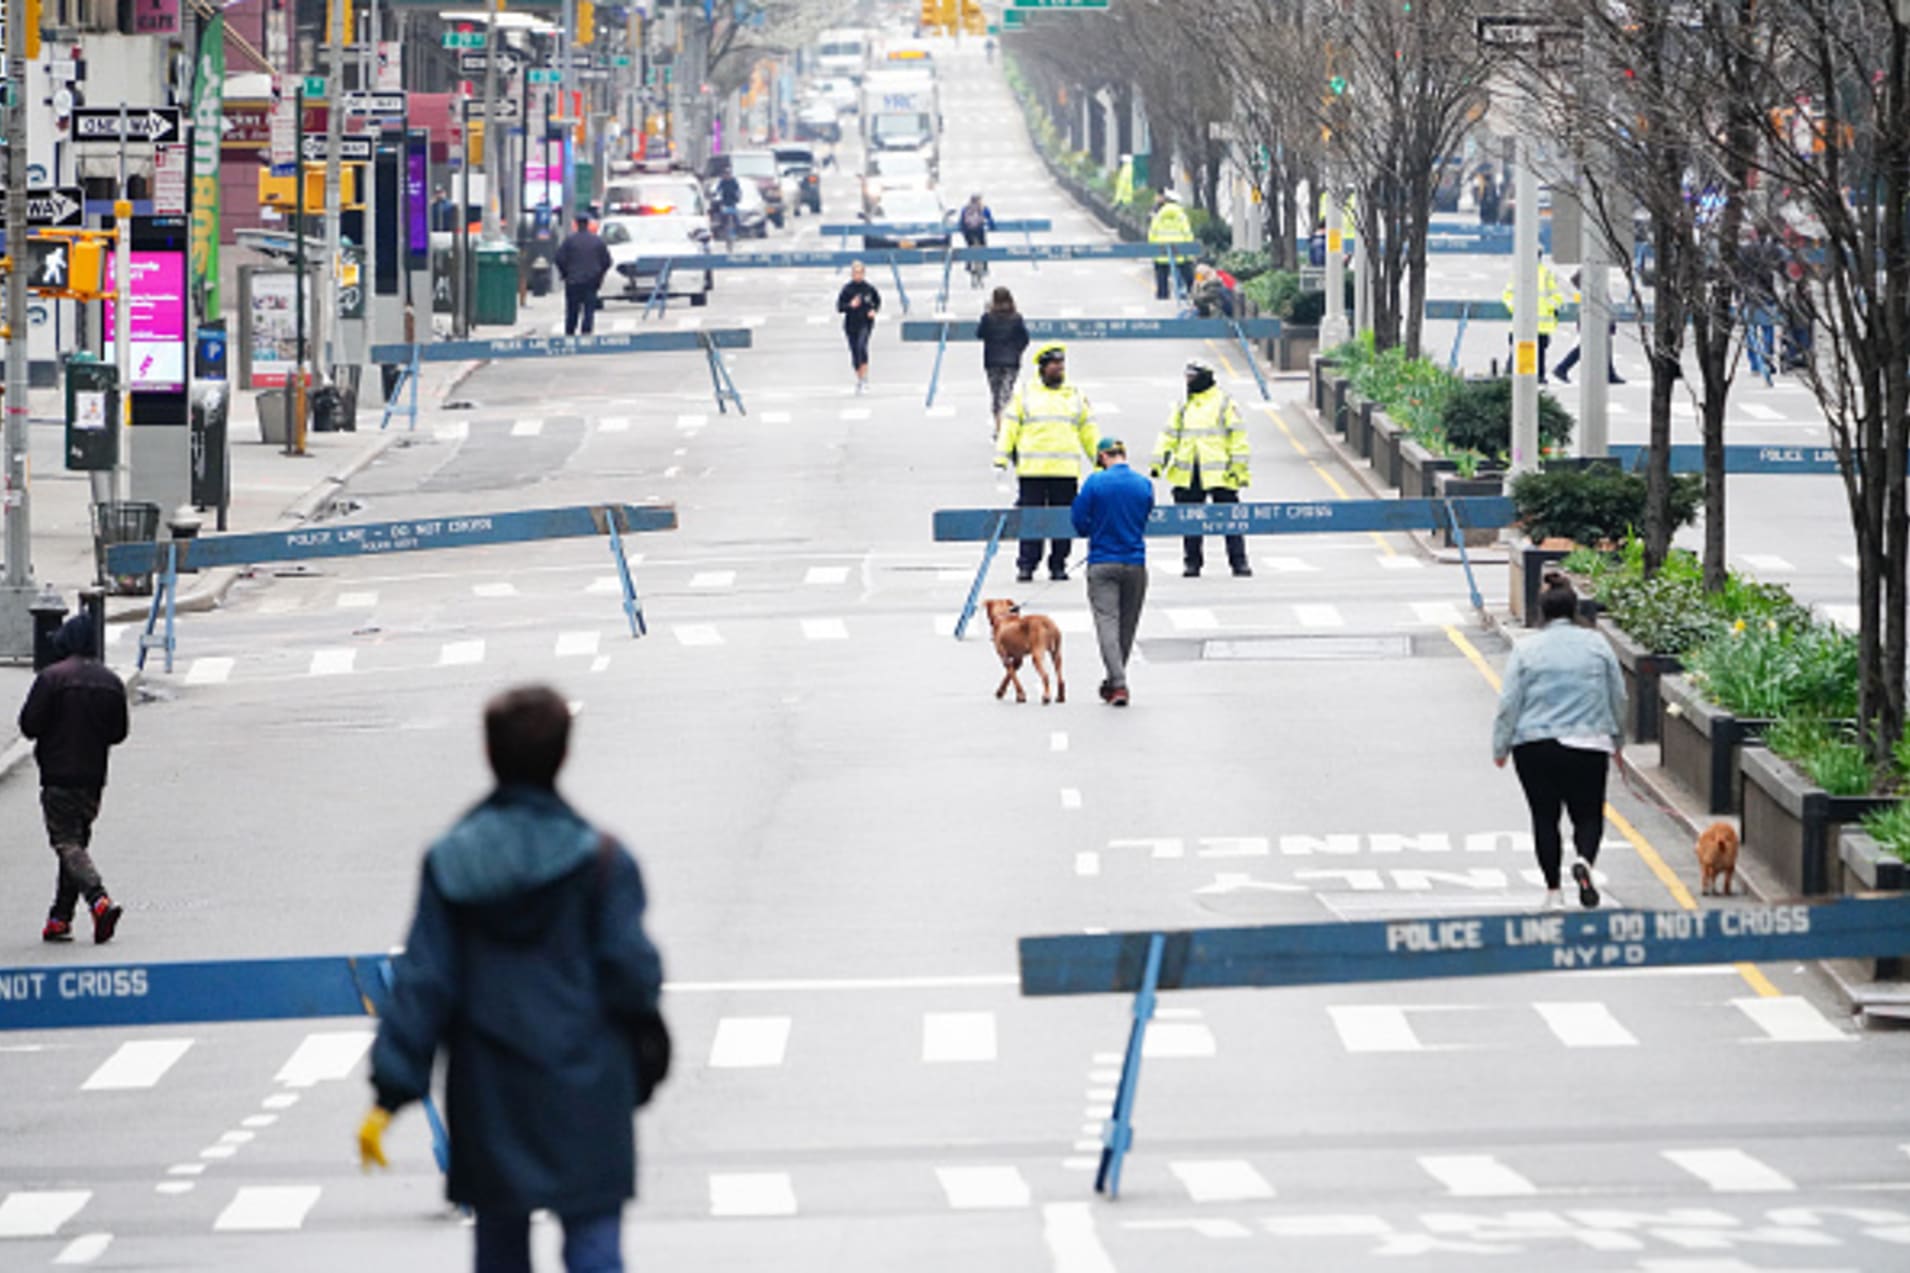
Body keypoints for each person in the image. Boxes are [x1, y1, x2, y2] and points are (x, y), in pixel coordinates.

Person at [360, 685, 665, 1273]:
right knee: (594, 1241)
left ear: (488, 752)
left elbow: (424, 981)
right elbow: (633, 973)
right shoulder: (603, 861)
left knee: (500, 1243)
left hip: (489, 1087)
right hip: (588, 1080)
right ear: (564, 754)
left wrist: (390, 1091)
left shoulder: (451, 859)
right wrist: (646, 1050)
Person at [1492, 574, 1625, 912]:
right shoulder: (1597, 644)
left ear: (1543, 611)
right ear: (1574, 608)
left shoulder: (1526, 648)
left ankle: (1553, 892)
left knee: (1544, 817)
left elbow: (1509, 702)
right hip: (1588, 742)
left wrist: (1501, 746)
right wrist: (1617, 739)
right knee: (1589, 815)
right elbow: (1618, 695)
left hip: (1534, 745)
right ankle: (1584, 861)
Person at [19, 612, 127, 944]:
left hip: (58, 774)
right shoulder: (111, 682)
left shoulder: (52, 678)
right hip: (93, 778)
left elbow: (29, 725)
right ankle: (59, 918)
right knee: (76, 846)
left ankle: (98, 899)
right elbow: (118, 733)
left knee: (66, 843)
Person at [995, 342, 1098, 583]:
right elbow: (1010, 427)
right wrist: (1001, 457)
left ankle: (1058, 564)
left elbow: (1088, 430)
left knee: (1063, 521)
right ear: (1042, 368)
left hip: (1065, 471)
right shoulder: (1025, 394)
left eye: (1061, 364)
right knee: (1031, 520)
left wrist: (1101, 460)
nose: (1059, 368)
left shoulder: (1074, 395)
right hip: (1033, 471)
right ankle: (1027, 565)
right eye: (1054, 364)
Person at [1072, 438, 1154, 707]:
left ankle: (1117, 683)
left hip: (1102, 561)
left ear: (1103, 457)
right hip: (1135, 562)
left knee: (1107, 621)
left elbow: (1079, 521)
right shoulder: (1143, 484)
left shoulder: (1095, 482)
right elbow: (1144, 517)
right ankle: (1115, 681)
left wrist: (1095, 530)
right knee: (1127, 626)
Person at [1152, 358, 1252, 578]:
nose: (1188, 381)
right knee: (1190, 520)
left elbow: (1238, 437)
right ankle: (1192, 562)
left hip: (1220, 472)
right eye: (1186, 377)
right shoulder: (1183, 405)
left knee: (1230, 519)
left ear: (1204, 378)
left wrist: (1238, 469)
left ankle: (1239, 562)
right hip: (1189, 472)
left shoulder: (1224, 402)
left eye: (1192, 377)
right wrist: (1158, 462)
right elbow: (1168, 435)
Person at [1502, 249, 1565, 382]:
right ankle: (1536, 377)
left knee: (1520, 351)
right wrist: (1548, 307)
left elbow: (1508, 296)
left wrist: (1517, 309)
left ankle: (1515, 377)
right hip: (1539, 324)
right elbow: (1557, 298)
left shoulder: (1521, 273)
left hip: (1527, 323)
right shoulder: (1545, 274)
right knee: (1536, 353)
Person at [1552, 268, 1624, 386]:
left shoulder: (1596, 281)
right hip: (1593, 315)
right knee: (1590, 345)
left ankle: (1609, 372)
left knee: (1602, 344)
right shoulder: (1593, 274)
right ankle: (1562, 368)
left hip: (1596, 314)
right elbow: (1575, 280)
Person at [975, 285, 1030, 435]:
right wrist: (1017, 351)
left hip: (992, 361)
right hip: (1011, 361)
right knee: (1006, 393)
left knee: (996, 393)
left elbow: (979, 334)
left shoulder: (988, 318)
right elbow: (1024, 338)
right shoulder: (1016, 318)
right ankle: (1004, 426)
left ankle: (999, 425)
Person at [553, 214, 612, 337]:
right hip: (591, 280)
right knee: (589, 309)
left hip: (573, 280)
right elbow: (607, 261)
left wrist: (565, 273)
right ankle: (586, 331)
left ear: (576, 224)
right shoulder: (597, 241)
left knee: (572, 309)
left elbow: (559, 258)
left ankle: (570, 331)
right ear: (588, 224)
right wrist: (600, 275)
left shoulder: (569, 241)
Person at [836, 260, 882, 393]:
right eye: (855, 273)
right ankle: (859, 377)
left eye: (860, 272)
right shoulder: (847, 289)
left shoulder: (869, 288)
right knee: (855, 352)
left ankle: (864, 377)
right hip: (851, 324)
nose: (858, 275)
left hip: (865, 322)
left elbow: (877, 301)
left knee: (862, 346)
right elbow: (839, 307)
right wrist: (850, 305)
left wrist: (874, 310)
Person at [1147, 192, 1195, 301]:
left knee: (1161, 274)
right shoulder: (1181, 216)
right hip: (1179, 251)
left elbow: (1152, 234)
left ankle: (1162, 295)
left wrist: (1153, 249)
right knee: (1186, 273)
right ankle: (1191, 293)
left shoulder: (1159, 215)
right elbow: (1187, 233)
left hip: (1161, 250)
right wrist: (1189, 251)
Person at [715, 171, 744, 244]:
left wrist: (738, 196)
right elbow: (718, 189)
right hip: (724, 202)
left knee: (735, 218)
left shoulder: (733, 181)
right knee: (723, 217)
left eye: (728, 174)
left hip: (732, 202)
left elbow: (738, 190)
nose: (727, 176)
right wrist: (716, 193)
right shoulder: (722, 182)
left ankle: (737, 232)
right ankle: (724, 230)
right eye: (725, 174)